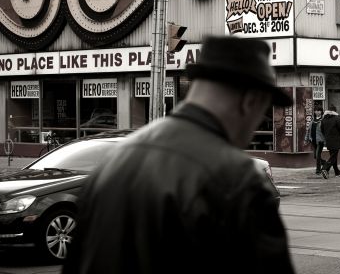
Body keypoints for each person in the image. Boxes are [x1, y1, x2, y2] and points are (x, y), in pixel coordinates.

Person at [63, 36, 296, 274]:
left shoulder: (113, 162)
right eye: (262, 113)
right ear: (250, 101)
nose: (257, 126)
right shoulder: (236, 179)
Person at [320, 104, 340, 178]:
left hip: (328, 140)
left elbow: (322, 130)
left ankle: (337, 172)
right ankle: (325, 168)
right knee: (333, 156)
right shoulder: (337, 118)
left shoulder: (324, 119)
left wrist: (326, 136)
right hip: (336, 140)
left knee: (333, 155)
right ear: (335, 111)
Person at [304, 105, 326, 175]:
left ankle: (318, 170)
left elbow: (326, 131)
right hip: (313, 140)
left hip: (320, 141)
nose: (317, 112)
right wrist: (306, 139)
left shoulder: (323, 120)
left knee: (317, 155)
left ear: (321, 111)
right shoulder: (313, 119)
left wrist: (325, 140)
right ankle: (326, 163)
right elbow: (308, 130)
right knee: (315, 156)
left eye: (319, 110)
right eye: (316, 110)